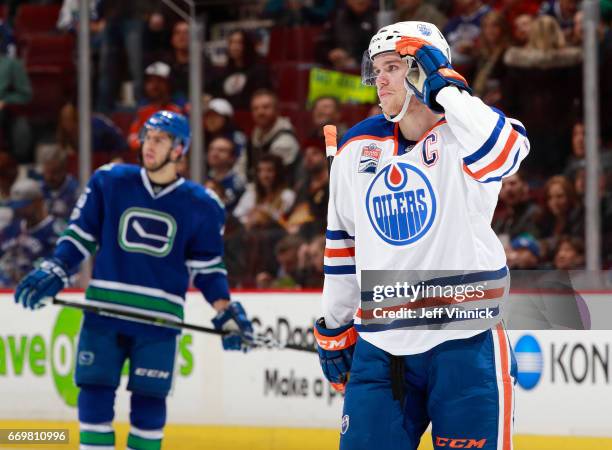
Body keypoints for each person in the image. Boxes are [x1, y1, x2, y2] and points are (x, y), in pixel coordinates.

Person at [314, 21, 529, 449]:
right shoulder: (357, 146)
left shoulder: (472, 132)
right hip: (381, 349)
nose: (380, 80)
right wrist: (334, 326)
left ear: (422, 71)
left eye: (394, 67)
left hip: (467, 345)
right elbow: (342, 244)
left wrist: (446, 87)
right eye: (377, 69)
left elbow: (506, 154)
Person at [14, 111, 254, 449]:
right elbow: (80, 236)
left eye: (159, 139)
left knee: (149, 406)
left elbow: (208, 269)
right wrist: (57, 267)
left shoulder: (203, 205)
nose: (148, 145)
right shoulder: (109, 181)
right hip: (105, 313)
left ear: (179, 149)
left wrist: (225, 309)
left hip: (158, 322)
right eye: (146, 137)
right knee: (94, 394)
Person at [0, 179, 64, 287]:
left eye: (23, 205)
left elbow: (63, 270)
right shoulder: (11, 228)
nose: (18, 209)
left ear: (38, 202)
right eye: (16, 205)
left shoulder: (56, 232)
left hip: (38, 292)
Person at [35, 144, 80, 222]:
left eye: (54, 172)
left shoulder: (76, 191)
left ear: (64, 169)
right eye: (47, 172)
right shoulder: (38, 189)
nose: (50, 177)